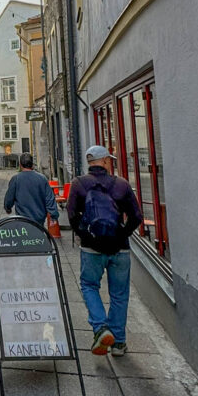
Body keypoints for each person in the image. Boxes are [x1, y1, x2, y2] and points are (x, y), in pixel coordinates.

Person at [66, 145, 143, 356]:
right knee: (119, 294)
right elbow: (136, 217)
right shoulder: (121, 184)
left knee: (89, 285)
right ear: (106, 161)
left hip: (92, 249)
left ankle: (100, 327)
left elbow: (72, 217)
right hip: (120, 249)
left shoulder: (79, 184)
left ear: (89, 162)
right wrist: (121, 235)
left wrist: (88, 237)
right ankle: (118, 342)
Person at [3, 153, 60, 230]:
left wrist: (8, 208)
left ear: (20, 165)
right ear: (32, 164)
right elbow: (49, 198)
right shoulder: (42, 178)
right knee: (38, 236)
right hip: (39, 217)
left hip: (23, 218)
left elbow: (9, 197)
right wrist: (53, 215)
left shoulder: (16, 179)